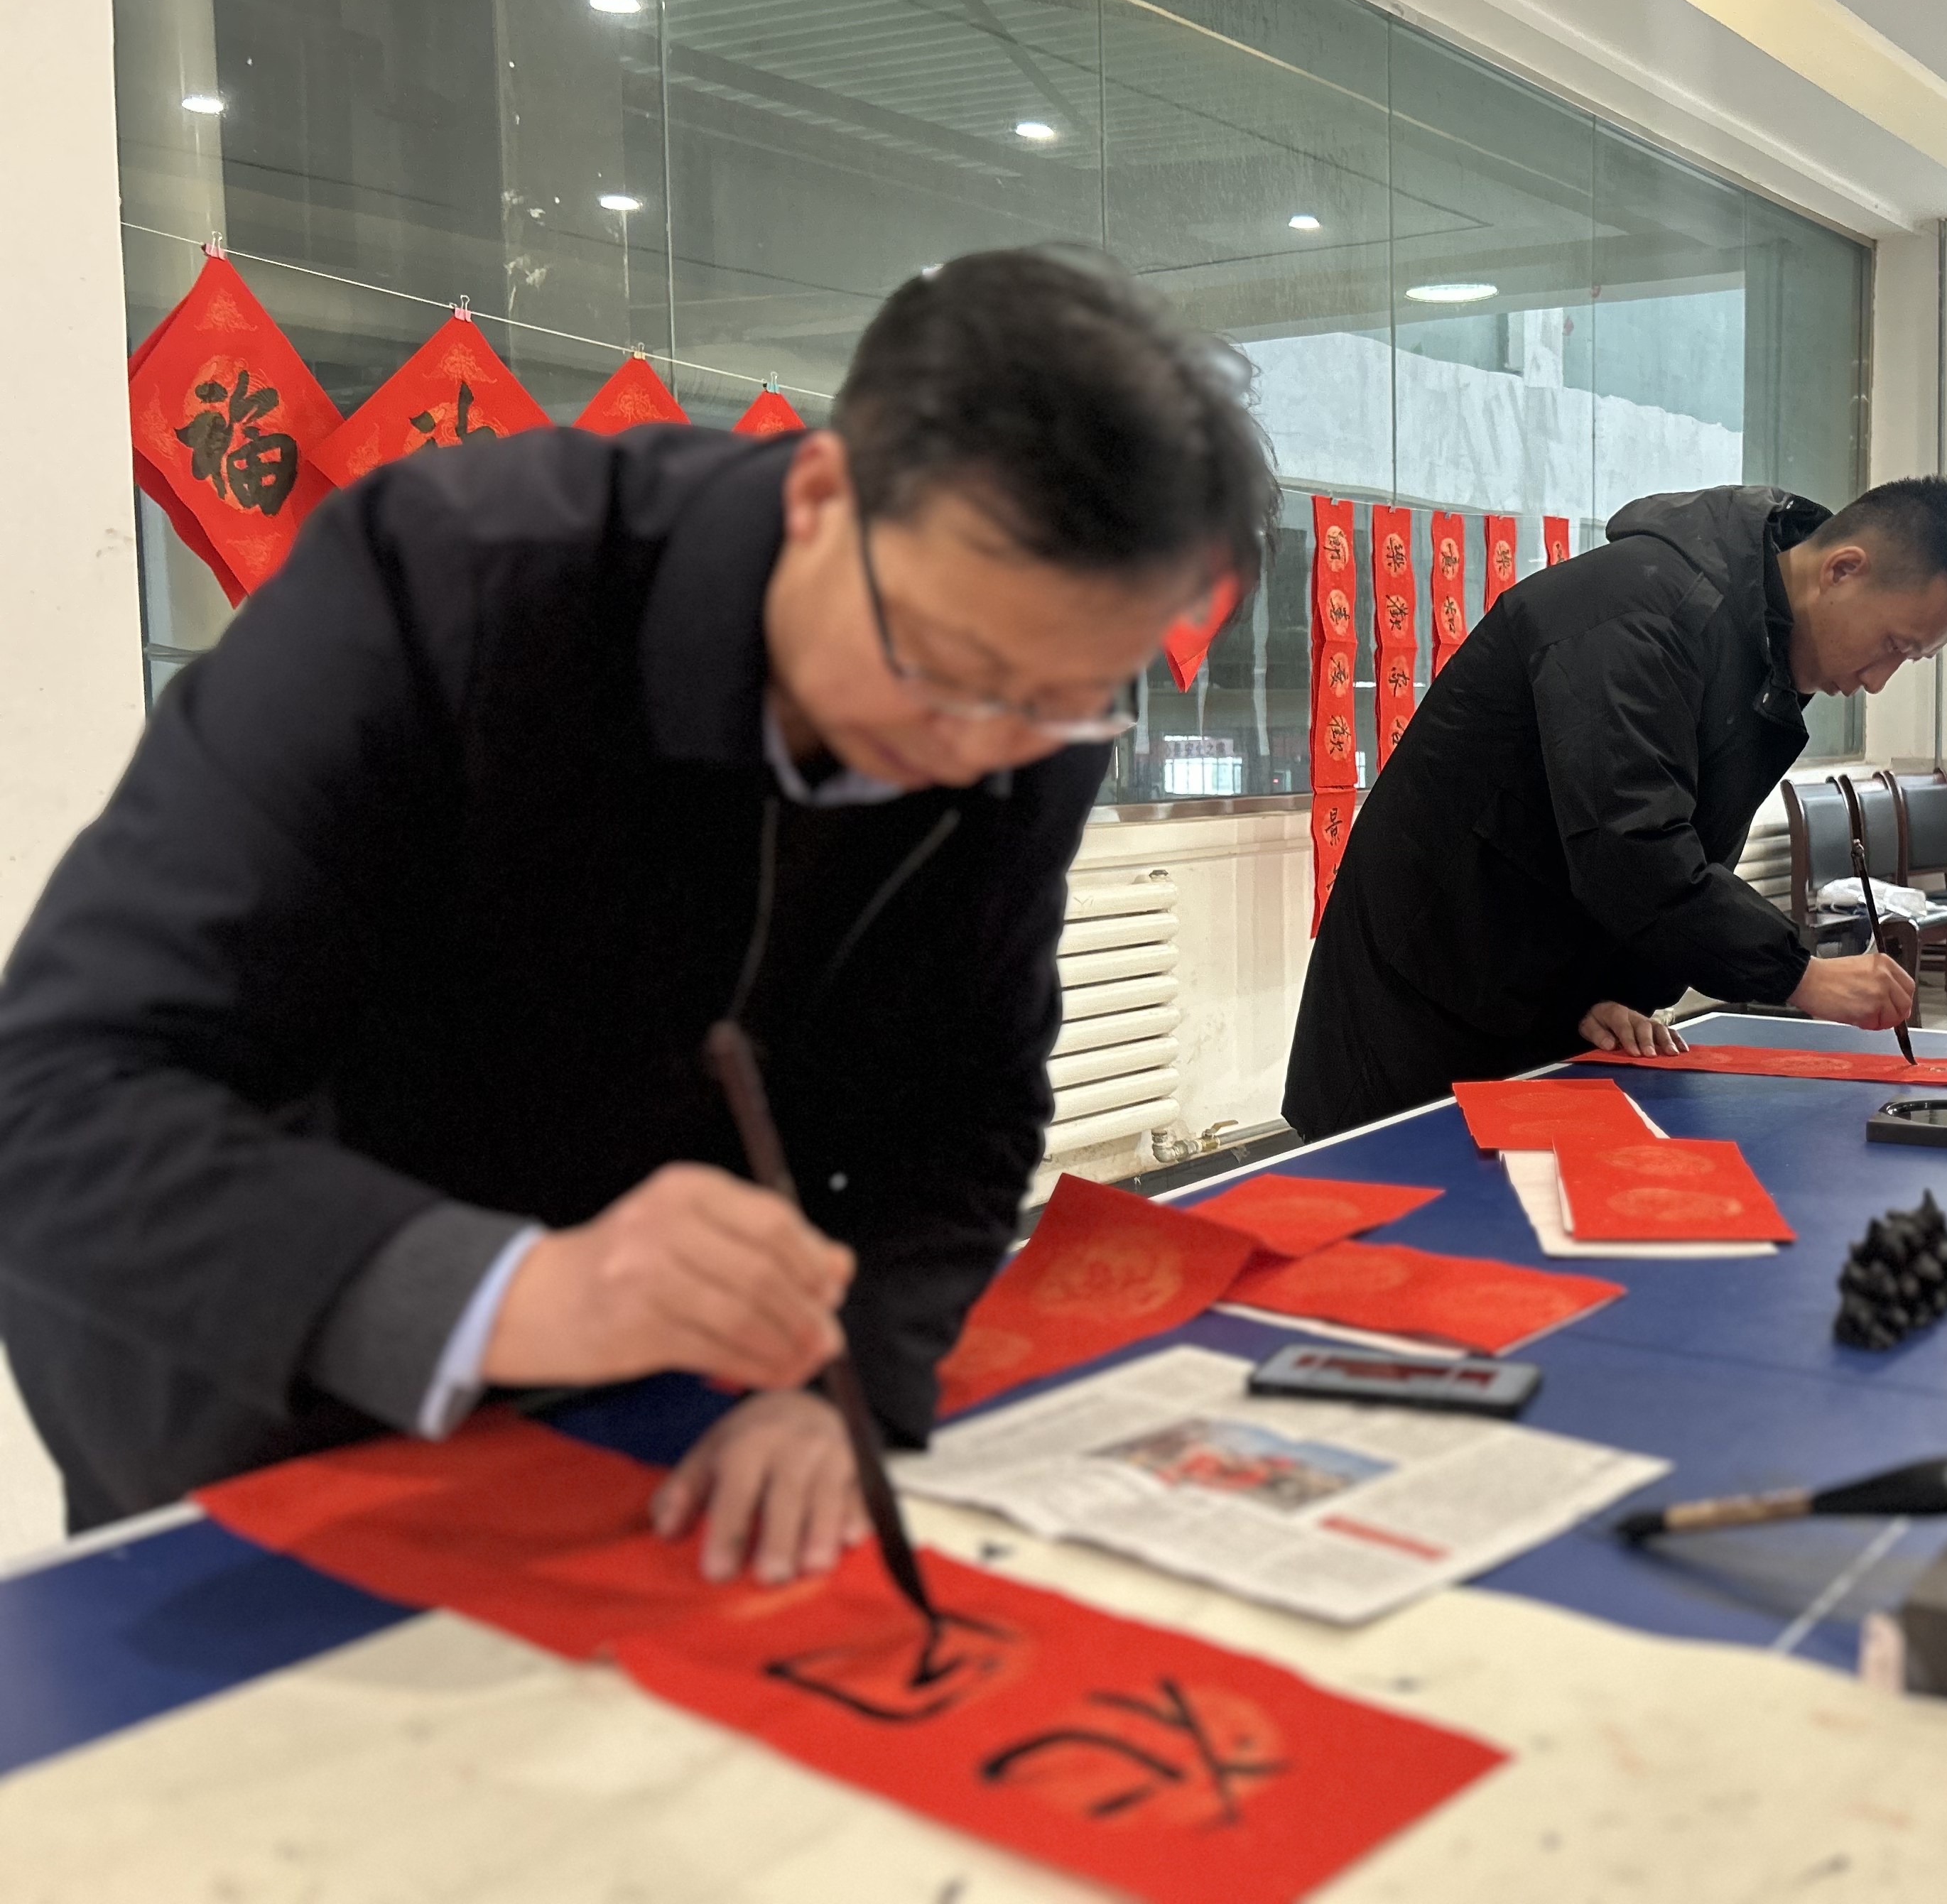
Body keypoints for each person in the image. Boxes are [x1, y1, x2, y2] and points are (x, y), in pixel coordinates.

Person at [0, 249, 1272, 1579]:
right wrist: (512, 1290)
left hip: (647, 1405)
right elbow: (60, 1097)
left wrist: (847, 1381)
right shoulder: (452, 581)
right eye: (944, 665)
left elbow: (964, 1099)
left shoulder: (1027, 730)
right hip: (270, 1376)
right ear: (821, 493)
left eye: (1065, 700)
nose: (977, 743)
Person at [1284, 477, 1947, 1141]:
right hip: (1417, 1010)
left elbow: (1636, 842)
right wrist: (1802, 974)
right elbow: (1630, 843)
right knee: (1394, 1229)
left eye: (1909, 660)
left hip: (1524, 998)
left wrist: (1607, 992)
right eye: (1893, 645)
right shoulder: (1638, 611)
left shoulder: (1754, 650)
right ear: (1843, 569)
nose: (1881, 680)